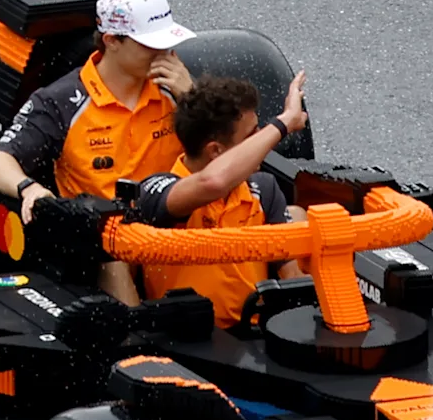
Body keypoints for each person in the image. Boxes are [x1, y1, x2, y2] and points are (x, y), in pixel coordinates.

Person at [0, 0, 200, 301]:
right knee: (115, 261)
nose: (165, 54)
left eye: (168, 43)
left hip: (181, 222)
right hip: (110, 241)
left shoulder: (177, 85)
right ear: (112, 41)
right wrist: (30, 189)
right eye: (152, 45)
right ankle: (137, 343)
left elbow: (221, 149)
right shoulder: (61, 101)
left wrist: (193, 99)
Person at [124, 73, 314, 326]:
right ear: (215, 150)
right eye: (252, 136)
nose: (262, 142)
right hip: (186, 345)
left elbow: (292, 279)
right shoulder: (155, 193)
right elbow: (212, 183)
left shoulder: (263, 189)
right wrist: (283, 123)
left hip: (254, 339)